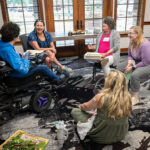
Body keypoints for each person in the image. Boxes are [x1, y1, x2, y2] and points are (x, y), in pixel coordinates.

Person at [72, 70, 132, 144]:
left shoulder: (100, 97)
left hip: (100, 137)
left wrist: (80, 106)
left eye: (107, 77)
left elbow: (85, 107)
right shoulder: (128, 97)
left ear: (109, 82)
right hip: (120, 135)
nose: (105, 78)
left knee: (75, 111)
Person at [117, 26, 150, 105]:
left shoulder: (145, 45)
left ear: (137, 34)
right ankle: (122, 89)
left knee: (135, 75)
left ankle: (135, 97)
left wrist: (132, 67)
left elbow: (146, 61)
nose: (129, 35)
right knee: (119, 68)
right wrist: (129, 63)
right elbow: (129, 55)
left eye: (131, 33)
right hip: (136, 61)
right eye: (129, 33)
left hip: (147, 64)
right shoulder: (132, 41)